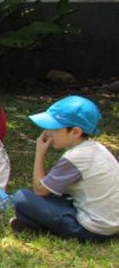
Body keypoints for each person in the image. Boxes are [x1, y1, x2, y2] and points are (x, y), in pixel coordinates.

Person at [10, 96, 118, 241]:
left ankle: (35, 224)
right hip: (112, 223)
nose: (47, 132)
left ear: (75, 132)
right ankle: (32, 222)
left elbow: (40, 190)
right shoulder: (97, 148)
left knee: (21, 197)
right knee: (55, 196)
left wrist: (40, 152)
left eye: (53, 128)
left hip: (93, 230)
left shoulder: (75, 157)